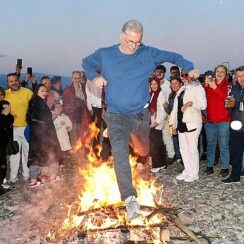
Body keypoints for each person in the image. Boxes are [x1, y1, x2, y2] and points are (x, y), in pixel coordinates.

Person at [82, 19, 199, 220]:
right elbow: (87, 62)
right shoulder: (106, 54)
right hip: (116, 114)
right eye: (130, 42)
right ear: (121, 36)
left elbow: (173, 56)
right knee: (119, 152)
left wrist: (189, 66)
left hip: (140, 115)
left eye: (138, 42)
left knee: (143, 150)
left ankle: (128, 138)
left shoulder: (148, 53)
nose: (134, 46)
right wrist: (94, 76)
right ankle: (130, 199)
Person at [169, 75, 207, 182]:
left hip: (192, 122)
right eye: (183, 75)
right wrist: (173, 125)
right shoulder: (181, 90)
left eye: (187, 74)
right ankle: (187, 169)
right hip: (181, 123)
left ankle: (194, 173)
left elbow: (203, 105)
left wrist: (190, 103)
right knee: (183, 149)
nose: (185, 77)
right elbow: (175, 110)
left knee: (192, 148)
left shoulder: (197, 87)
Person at [27, 84, 61, 187]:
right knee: (39, 156)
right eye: (42, 91)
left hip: (41, 134)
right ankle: (34, 180)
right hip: (41, 135)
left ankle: (42, 178)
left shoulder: (40, 102)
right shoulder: (36, 102)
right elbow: (36, 118)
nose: (45, 93)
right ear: (37, 91)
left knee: (40, 156)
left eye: (46, 91)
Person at [203, 65, 231, 177]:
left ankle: (225, 167)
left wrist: (215, 87)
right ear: (214, 73)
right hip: (210, 121)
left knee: (223, 145)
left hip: (223, 121)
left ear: (226, 74)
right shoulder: (209, 85)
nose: (219, 74)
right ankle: (210, 165)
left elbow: (226, 99)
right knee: (210, 144)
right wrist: (205, 86)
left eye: (222, 72)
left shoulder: (229, 86)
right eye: (217, 71)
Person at [5, 73, 33, 183]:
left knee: (27, 152)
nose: (13, 83)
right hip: (12, 129)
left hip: (26, 127)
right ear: (8, 83)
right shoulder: (5, 94)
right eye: (11, 81)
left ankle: (26, 175)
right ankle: (13, 177)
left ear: (18, 80)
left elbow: (34, 106)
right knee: (14, 153)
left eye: (15, 80)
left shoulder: (27, 92)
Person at [222, 65, 244, 183]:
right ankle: (235, 176)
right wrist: (228, 104)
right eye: (239, 76)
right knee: (235, 152)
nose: (241, 79)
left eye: (243, 76)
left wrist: (237, 102)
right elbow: (227, 102)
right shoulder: (233, 88)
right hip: (236, 125)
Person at [153, 65, 175, 164]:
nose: (158, 73)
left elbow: (170, 100)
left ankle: (171, 155)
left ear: (164, 73)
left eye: (160, 72)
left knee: (166, 135)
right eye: (157, 71)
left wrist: (168, 113)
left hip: (166, 113)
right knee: (157, 136)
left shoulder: (168, 84)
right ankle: (159, 156)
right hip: (154, 114)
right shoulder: (152, 83)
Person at [63, 71, 89, 148]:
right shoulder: (68, 90)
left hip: (84, 117)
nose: (77, 80)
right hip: (73, 119)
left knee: (84, 138)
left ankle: (83, 157)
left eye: (79, 78)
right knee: (74, 140)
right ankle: (75, 158)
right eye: (75, 78)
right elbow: (65, 106)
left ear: (81, 78)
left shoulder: (85, 88)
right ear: (72, 79)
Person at [148, 77, 167, 173]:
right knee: (159, 143)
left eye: (155, 84)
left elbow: (163, 110)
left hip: (157, 123)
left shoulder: (160, 94)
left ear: (158, 85)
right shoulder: (152, 94)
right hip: (152, 122)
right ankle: (163, 163)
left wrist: (157, 122)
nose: (153, 86)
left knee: (154, 144)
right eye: (152, 84)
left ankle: (157, 164)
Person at [165, 77, 183, 163]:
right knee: (175, 139)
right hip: (174, 120)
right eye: (172, 84)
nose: (174, 85)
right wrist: (166, 107)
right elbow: (170, 110)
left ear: (180, 84)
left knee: (183, 141)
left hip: (183, 120)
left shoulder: (184, 93)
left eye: (176, 83)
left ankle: (184, 158)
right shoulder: (171, 96)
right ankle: (178, 156)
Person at [0, 99, 14, 195]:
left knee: (3, 164)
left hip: (3, 144)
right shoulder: (2, 117)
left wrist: (6, 115)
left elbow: (10, 121)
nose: (7, 108)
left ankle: (0, 184)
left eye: (8, 106)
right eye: (5, 107)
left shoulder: (8, 117)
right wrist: (3, 115)